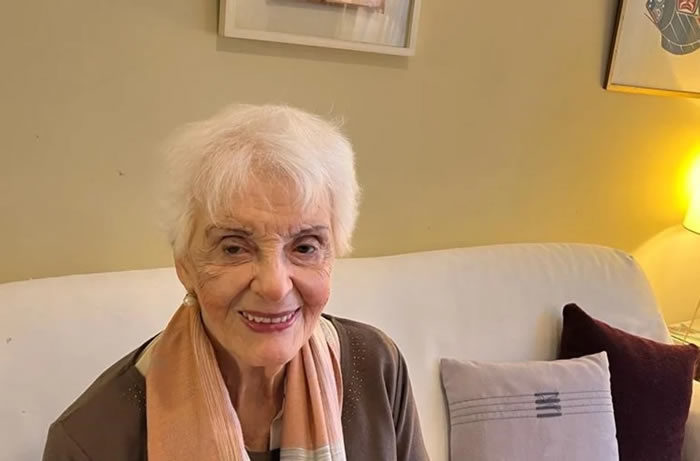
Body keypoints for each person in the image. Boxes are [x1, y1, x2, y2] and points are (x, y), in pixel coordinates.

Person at [42, 104, 429, 461]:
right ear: (184, 265)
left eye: (305, 247)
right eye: (233, 248)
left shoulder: (376, 367)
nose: (275, 287)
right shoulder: (91, 441)